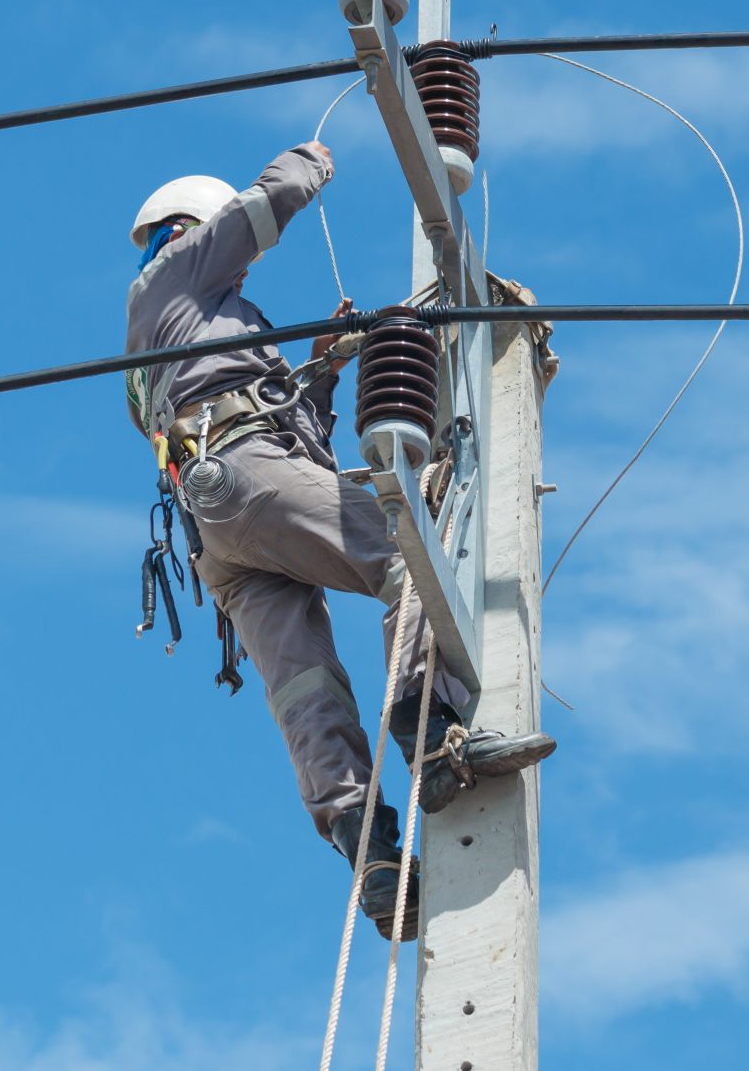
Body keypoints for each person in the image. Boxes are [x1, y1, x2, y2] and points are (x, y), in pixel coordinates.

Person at [124, 141, 555, 939]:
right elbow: (262, 208)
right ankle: (430, 727)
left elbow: (283, 434)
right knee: (412, 555)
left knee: (304, 689)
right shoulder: (176, 272)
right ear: (186, 227)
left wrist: (318, 373)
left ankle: (372, 851)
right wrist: (309, 163)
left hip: (219, 530)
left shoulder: (180, 331)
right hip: (244, 480)